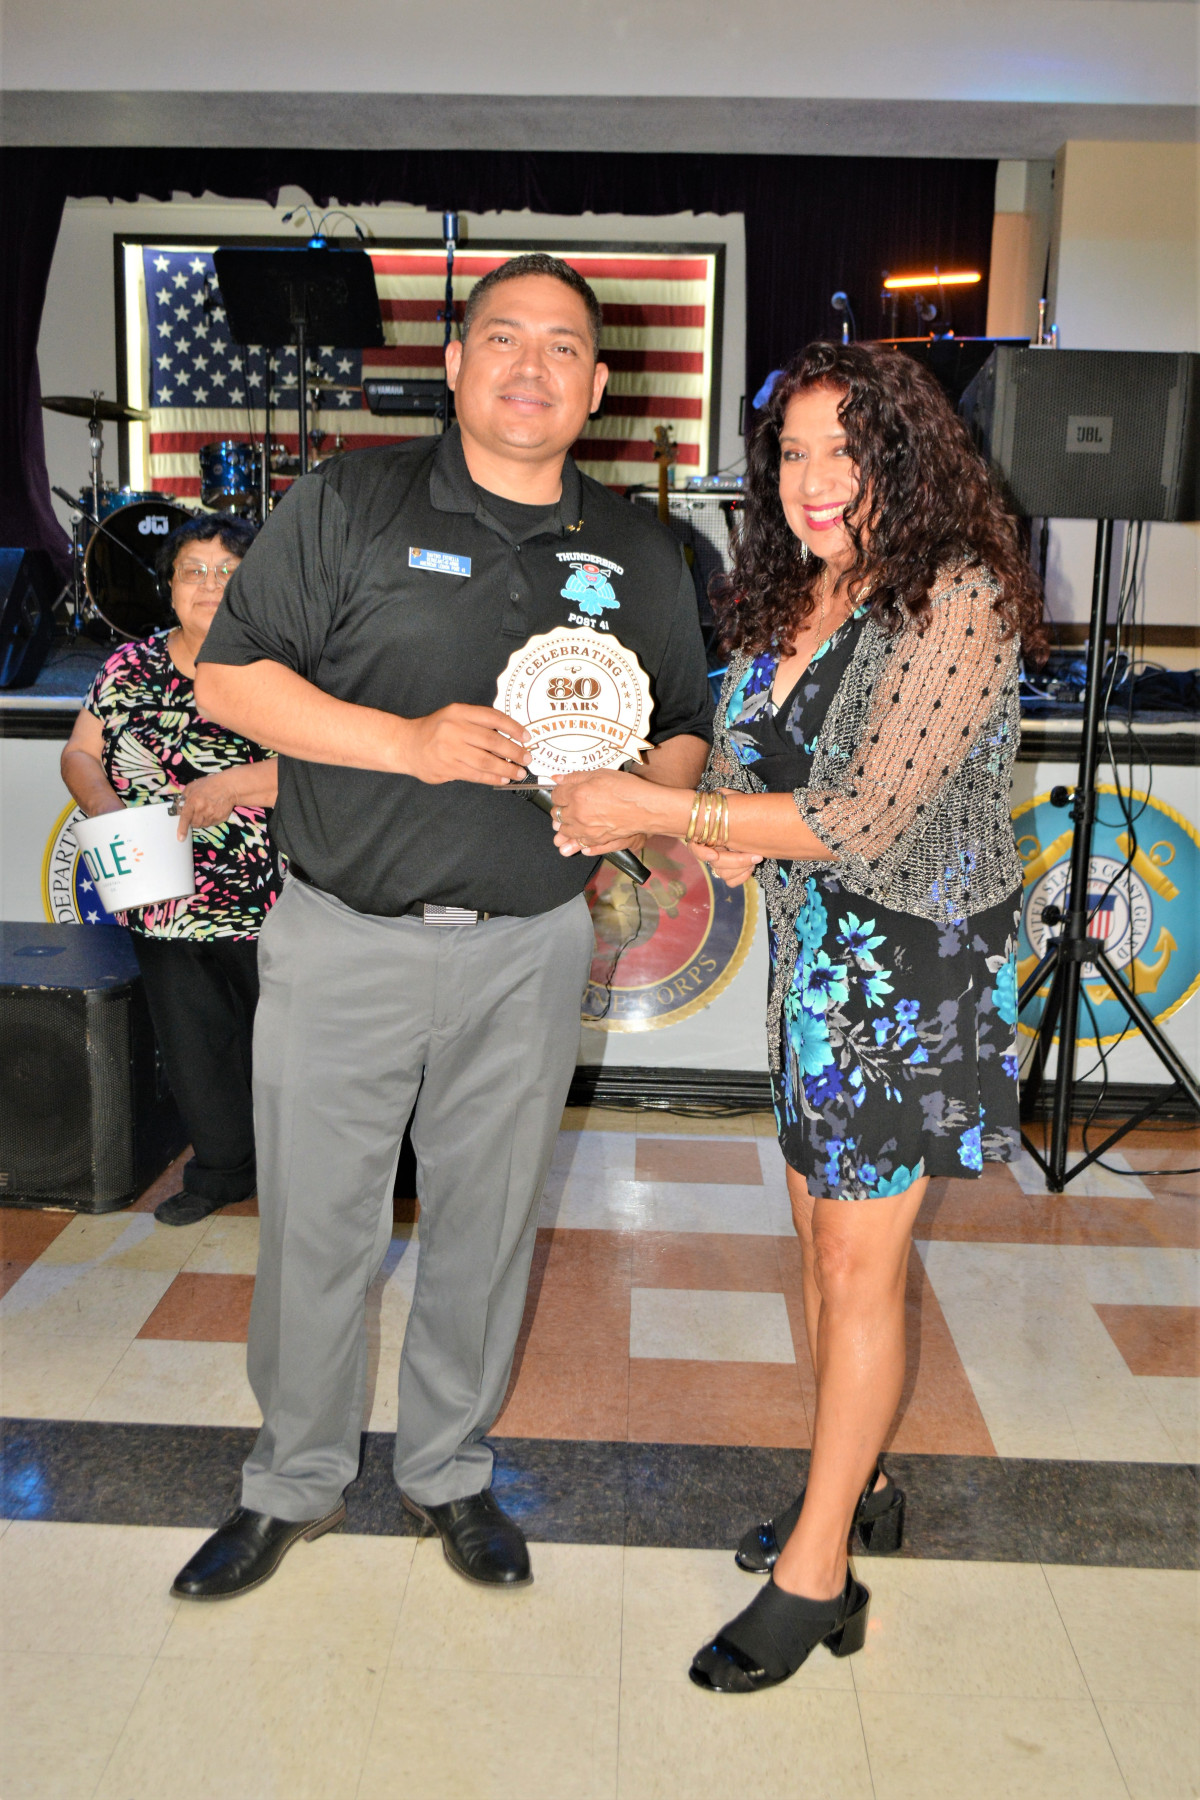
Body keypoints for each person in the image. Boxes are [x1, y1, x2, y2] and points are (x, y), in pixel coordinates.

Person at [170, 254, 712, 1599]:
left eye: (562, 347)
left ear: (598, 385)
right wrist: (405, 744)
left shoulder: (642, 551)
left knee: (487, 1222)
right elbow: (232, 684)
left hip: (528, 945)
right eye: (503, 338)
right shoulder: (348, 503)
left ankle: (448, 1474)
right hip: (342, 933)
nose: (532, 366)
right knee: (314, 1228)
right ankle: (290, 1482)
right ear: (456, 364)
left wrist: (639, 801)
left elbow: (684, 726)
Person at [552, 340, 1044, 1691]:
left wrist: (662, 810)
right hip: (815, 962)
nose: (816, 478)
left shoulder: (955, 596)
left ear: (907, 457)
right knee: (821, 1250)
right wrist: (716, 834)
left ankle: (820, 1573)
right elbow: (756, 776)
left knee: (855, 1267)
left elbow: (864, 814)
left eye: (848, 449)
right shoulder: (798, 590)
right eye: (793, 452)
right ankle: (858, 1482)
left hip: (914, 967)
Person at [61, 513, 278, 1228]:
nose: (209, 584)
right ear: (170, 584)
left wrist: (234, 787)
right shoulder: (129, 665)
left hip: (266, 894)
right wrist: (102, 802)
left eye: (227, 570)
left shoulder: (280, 665)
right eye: (193, 570)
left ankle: (298, 1175)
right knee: (192, 1044)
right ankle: (221, 1170)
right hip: (157, 891)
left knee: (284, 1045)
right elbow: (80, 751)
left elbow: (324, 765)